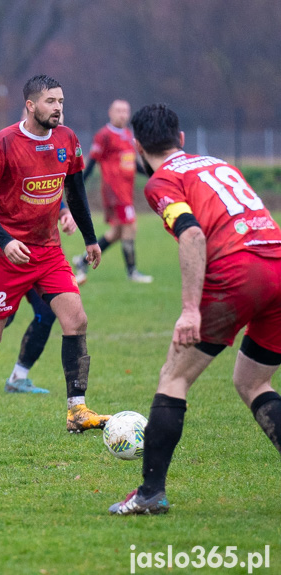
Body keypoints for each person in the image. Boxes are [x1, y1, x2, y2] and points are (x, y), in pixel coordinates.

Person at [109, 104, 281, 515]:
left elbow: (191, 235)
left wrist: (190, 310)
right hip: (278, 265)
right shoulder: (217, 164)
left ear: (138, 146)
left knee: (174, 377)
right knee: (252, 382)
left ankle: (150, 494)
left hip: (238, 273)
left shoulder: (161, 182)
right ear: (181, 138)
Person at [0, 74, 110, 437]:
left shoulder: (67, 139)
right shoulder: (6, 142)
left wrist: (91, 239)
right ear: (30, 105)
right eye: (50, 101)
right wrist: (4, 240)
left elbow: (75, 191)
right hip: (5, 256)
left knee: (75, 319)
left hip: (48, 252)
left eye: (61, 101)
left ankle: (77, 410)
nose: (58, 107)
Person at [0, 204, 78, 417]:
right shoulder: (7, 171)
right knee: (1, 319)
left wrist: (65, 212)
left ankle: (18, 377)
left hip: (40, 255)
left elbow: (45, 191)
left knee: (47, 313)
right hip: (8, 256)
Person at [73, 99, 152, 284]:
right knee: (130, 226)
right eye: (118, 110)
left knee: (117, 231)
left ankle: (83, 260)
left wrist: (152, 174)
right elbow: (92, 162)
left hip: (126, 190)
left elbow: (132, 164)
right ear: (110, 113)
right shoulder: (104, 135)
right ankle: (132, 272)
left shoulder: (126, 134)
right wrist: (78, 185)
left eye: (126, 110)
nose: (123, 114)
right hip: (114, 191)